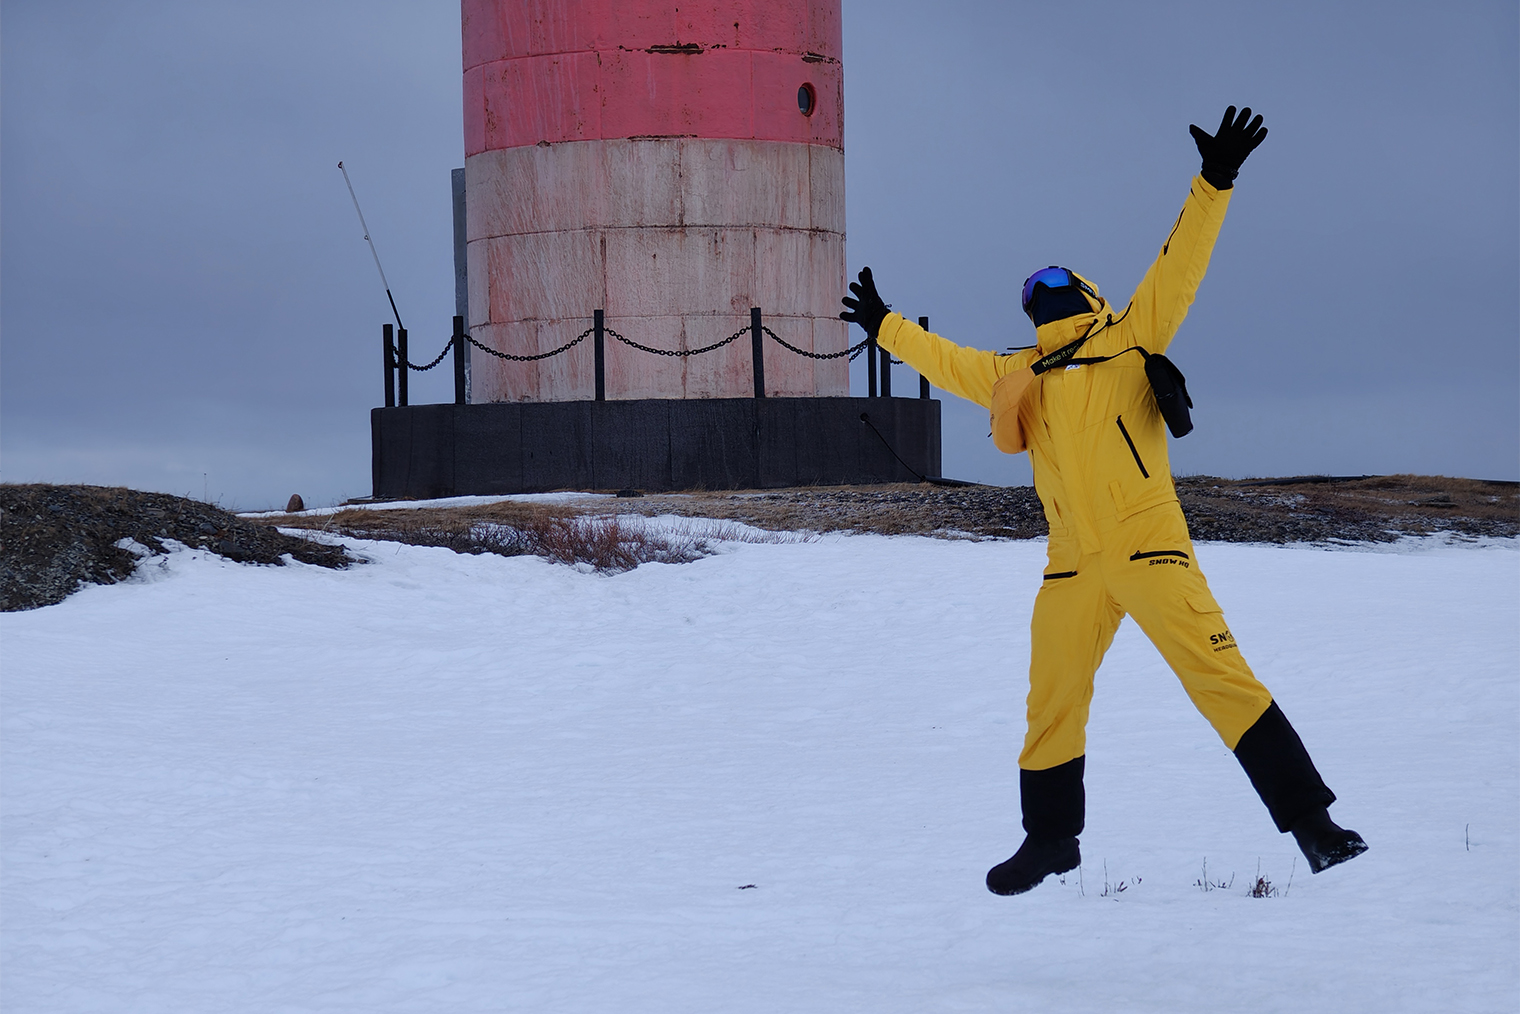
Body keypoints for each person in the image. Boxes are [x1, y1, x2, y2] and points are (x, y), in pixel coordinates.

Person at [841, 106, 1367, 896]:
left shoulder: (1132, 334)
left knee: (1221, 682)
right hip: (1072, 565)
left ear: (1086, 293)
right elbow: (946, 361)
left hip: (1151, 548)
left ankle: (1315, 829)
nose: (1043, 292)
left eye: (1055, 284)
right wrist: (884, 327)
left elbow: (1180, 260)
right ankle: (1051, 839)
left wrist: (1214, 179)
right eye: (1032, 290)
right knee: (1050, 698)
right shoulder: (1016, 375)